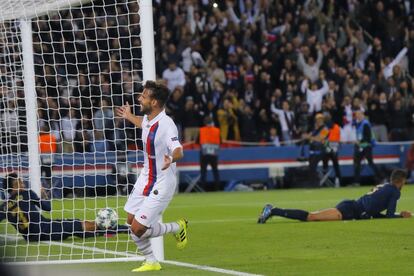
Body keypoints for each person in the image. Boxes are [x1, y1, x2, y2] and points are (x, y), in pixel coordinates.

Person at [116, 80, 187, 272]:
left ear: (154, 102)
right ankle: (152, 262)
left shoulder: (167, 125)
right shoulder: (149, 118)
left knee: (137, 229)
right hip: (146, 177)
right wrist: (130, 116)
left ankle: (176, 228)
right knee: (130, 221)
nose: (139, 98)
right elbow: (145, 127)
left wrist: (170, 158)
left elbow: (179, 150)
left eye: (144, 96)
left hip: (163, 181)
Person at [0, 173, 128, 242]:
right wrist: (43, 195)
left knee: (76, 229)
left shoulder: (4, 206)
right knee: (81, 224)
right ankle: (124, 229)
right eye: (20, 181)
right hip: (45, 229)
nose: (23, 183)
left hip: (30, 237)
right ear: (15, 185)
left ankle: (104, 232)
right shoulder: (26, 193)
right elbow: (48, 208)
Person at [257, 169, 412, 223]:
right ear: (400, 181)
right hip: (349, 210)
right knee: (311, 217)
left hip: (351, 208)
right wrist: (401, 216)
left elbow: (374, 212)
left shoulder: (385, 187)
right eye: (404, 182)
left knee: (312, 217)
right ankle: (273, 210)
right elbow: (390, 215)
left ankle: (273, 210)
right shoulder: (394, 191)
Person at [353, 110, 382, 185]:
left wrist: (360, 141)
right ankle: (356, 181)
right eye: (357, 115)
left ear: (362, 115)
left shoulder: (365, 124)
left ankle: (382, 178)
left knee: (370, 163)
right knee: (357, 163)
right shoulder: (357, 124)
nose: (358, 116)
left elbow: (368, 137)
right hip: (360, 146)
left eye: (359, 114)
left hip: (366, 147)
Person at [196, 116, 221, 191]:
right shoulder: (217, 130)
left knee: (203, 172)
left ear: (204, 122)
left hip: (204, 154)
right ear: (212, 122)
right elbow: (221, 141)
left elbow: (197, 142)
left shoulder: (201, 130)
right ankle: (218, 188)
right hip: (214, 153)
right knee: (215, 171)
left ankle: (203, 188)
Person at [303, 113, 329, 182]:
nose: (319, 121)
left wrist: (309, 137)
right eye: (317, 119)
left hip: (321, 151)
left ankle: (315, 182)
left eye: (320, 119)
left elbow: (319, 139)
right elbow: (309, 136)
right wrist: (306, 136)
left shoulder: (325, 129)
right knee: (311, 166)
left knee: (313, 166)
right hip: (314, 151)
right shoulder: (315, 129)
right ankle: (312, 182)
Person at [323, 114, 341, 187]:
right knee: (335, 165)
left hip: (330, 147)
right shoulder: (336, 127)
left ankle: (326, 179)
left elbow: (323, 138)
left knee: (328, 164)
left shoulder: (327, 127)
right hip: (333, 147)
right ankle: (337, 179)